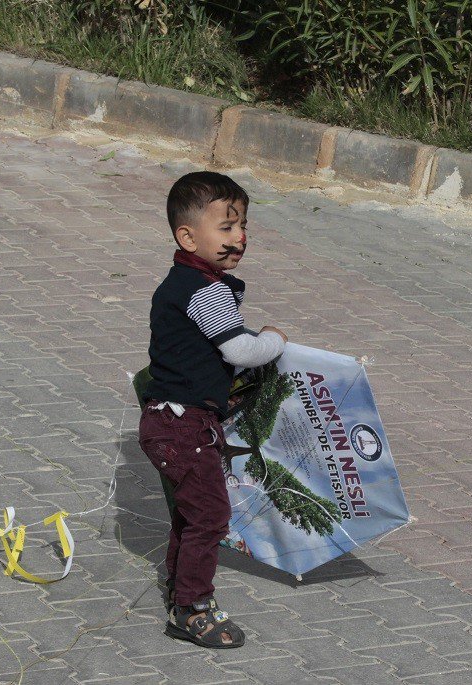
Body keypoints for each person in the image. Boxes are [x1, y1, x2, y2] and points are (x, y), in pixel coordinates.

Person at [139, 171, 287, 649]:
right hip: (184, 426)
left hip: (170, 421)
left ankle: (180, 588)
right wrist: (274, 341)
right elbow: (240, 351)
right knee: (209, 518)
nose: (239, 237)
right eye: (226, 227)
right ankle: (194, 608)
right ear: (187, 235)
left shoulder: (184, 283)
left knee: (192, 513)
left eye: (242, 226)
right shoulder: (206, 290)